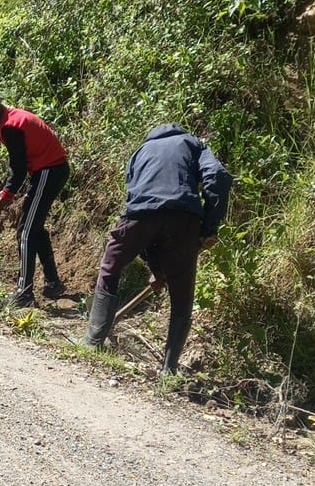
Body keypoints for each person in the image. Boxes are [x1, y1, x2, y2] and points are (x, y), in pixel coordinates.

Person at [84, 123, 233, 375]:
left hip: (140, 216)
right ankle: (169, 370)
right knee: (182, 294)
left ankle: (92, 342)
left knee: (110, 266)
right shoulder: (193, 144)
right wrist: (209, 228)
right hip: (183, 219)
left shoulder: (140, 152)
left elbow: (141, 208)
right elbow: (218, 176)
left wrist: (155, 265)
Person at [0, 88, 70, 306]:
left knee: (26, 232)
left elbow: (18, 171)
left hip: (49, 171)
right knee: (35, 228)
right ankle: (53, 283)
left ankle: (24, 293)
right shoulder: (12, 117)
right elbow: (20, 168)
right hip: (49, 171)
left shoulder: (10, 126)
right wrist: (4, 196)